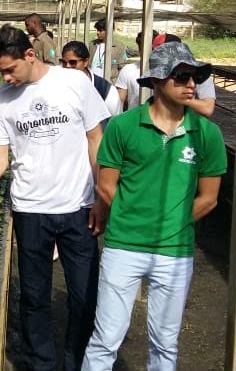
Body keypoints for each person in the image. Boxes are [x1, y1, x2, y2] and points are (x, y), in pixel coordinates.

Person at [0, 25, 109, 371]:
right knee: (34, 297)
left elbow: (96, 139)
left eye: (10, 69)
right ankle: (41, 363)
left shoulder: (74, 83)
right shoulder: (1, 100)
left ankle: (77, 361)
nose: (6, 78)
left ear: (30, 55)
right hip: (30, 210)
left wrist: (101, 195)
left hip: (78, 207)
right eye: (0, 71)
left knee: (85, 295)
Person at [82, 42, 226, 371]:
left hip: (174, 251)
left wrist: (172, 224)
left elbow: (209, 197)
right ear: (158, 81)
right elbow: (106, 184)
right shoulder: (123, 126)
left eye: (196, 77)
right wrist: (132, 218)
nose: (192, 84)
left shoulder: (207, 134)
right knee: (106, 338)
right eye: (182, 77)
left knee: (165, 343)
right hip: (124, 246)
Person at [117, 33, 216, 117]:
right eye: (162, 53)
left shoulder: (196, 72)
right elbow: (119, 101)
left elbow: (207, 109)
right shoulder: (129, 70)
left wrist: (180, 98)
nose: (191, 84)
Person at [60, 41, 123, 120]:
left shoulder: (106, 91)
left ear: (85, 62)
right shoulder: (56, 85)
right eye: (63, 62)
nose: (67, 66)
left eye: (73, 62)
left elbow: (115, 122)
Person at [114, 30, 156, 111]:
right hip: (134, 117)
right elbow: (120, 101)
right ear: (140, 50)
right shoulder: (128, 70)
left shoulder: (167, 72)